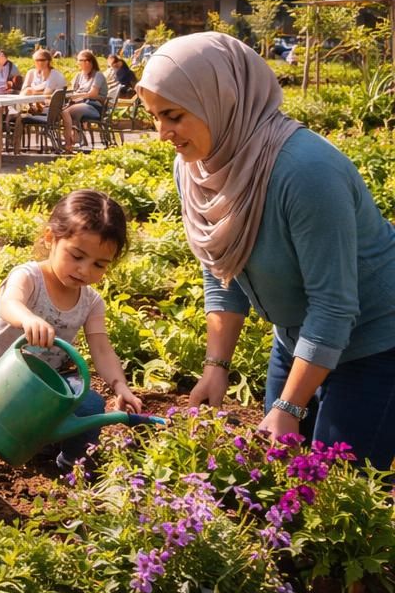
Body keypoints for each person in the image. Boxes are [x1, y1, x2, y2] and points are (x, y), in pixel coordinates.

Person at [139, 33, 395, 467]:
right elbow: (222, 268)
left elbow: (334, 305)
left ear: (221, 98)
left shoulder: (306, 172)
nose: (163, 133)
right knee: (279, 471)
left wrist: (290, 407)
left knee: (336, 490)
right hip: (299, 336)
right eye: (153, 117)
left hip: (375, 341)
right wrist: (216, 366)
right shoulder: (200, 168)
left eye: (174, 116)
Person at [0, 190, 141, 483]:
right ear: (50, 239)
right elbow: (10, 304)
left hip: (48, 387)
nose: (85, 270)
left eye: (99, 264)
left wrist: (120, 385)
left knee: (91, 406)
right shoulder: (28, 277)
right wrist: (28, 318)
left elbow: (102, 349)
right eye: (77, 256)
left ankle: (70, 467)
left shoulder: (91, 302)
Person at [62, 49, 108, 152]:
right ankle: (75, 140)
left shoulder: (98, 75)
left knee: (65, 112)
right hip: (80, 103)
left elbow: (93, 94)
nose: (77, 63)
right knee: (59, 110)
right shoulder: (79, 75)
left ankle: (68, 143)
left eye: (79, 60)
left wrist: (77, 95)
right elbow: (72, 90)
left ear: (87, 61)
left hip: (94, 106)